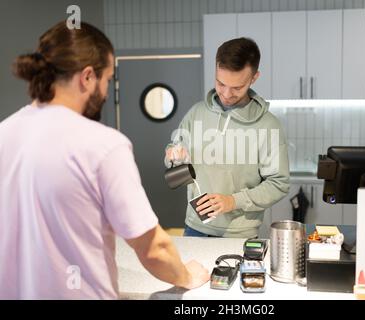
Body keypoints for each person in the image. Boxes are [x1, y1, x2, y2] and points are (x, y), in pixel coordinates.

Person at [0, 21, 209, 299]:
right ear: (87, 77)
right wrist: (185, 274)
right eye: (107, 79)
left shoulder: (5, 132)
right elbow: (152, 248)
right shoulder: (104, 145)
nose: (107, 91)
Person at [165, 38, 290, 238]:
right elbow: (174, 162)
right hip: (194, 228)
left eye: (237, 88)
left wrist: (233, 201)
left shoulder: (268, 125)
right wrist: (174, 155)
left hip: (239, 235)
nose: (226, 93)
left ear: (254, 78)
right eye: (220, 83)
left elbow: (278, 183)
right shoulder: (196, 113)